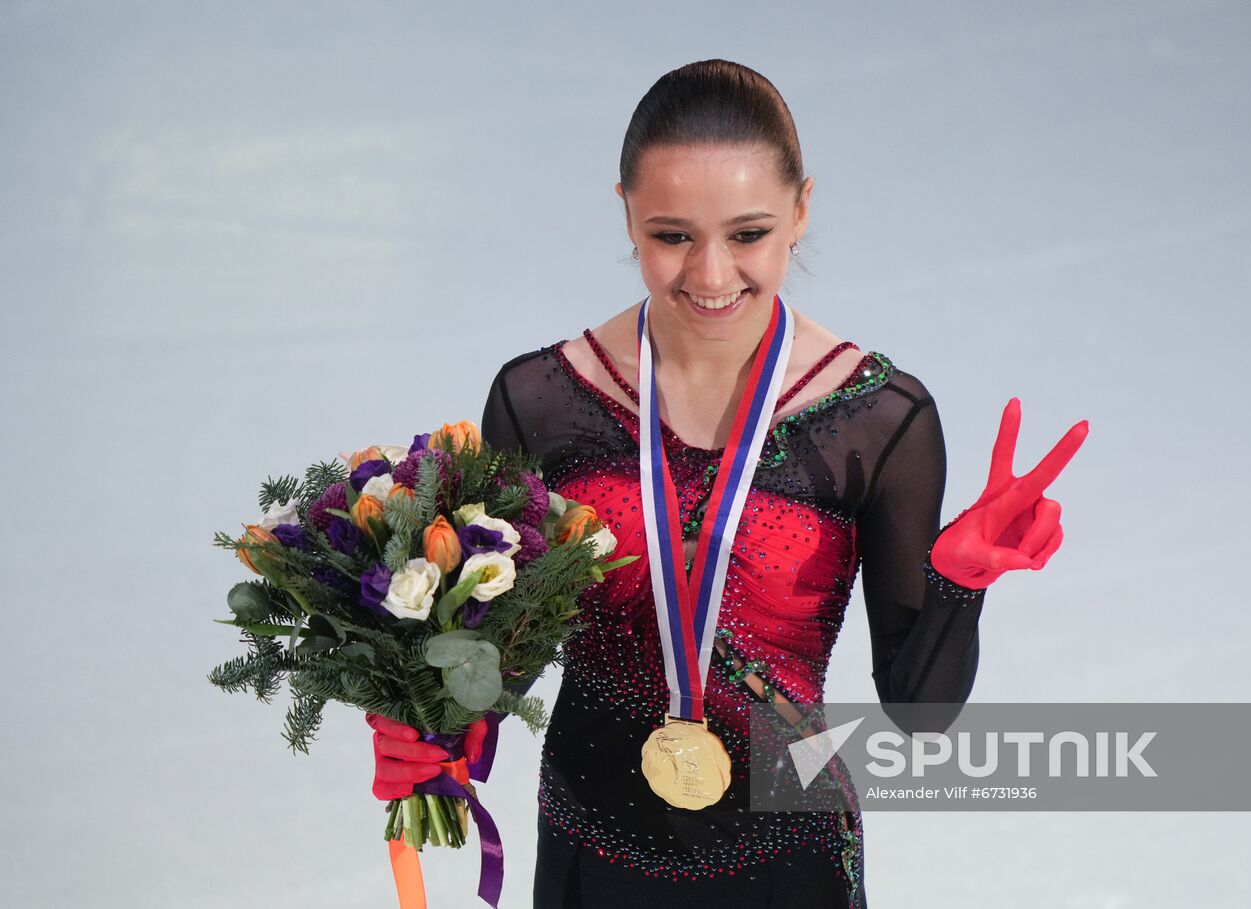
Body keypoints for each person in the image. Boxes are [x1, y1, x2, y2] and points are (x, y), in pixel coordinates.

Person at [372, 59, 1086, 908]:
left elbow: (917, 714)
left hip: (793, 861)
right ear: (628, 213)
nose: (711, 277)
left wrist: (958, 584)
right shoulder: (539, 403)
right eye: (672, 235)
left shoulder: (878, 420)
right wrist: (432, 719)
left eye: (748, 234)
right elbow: (505, 655)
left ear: (801, 211)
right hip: (590, 852)